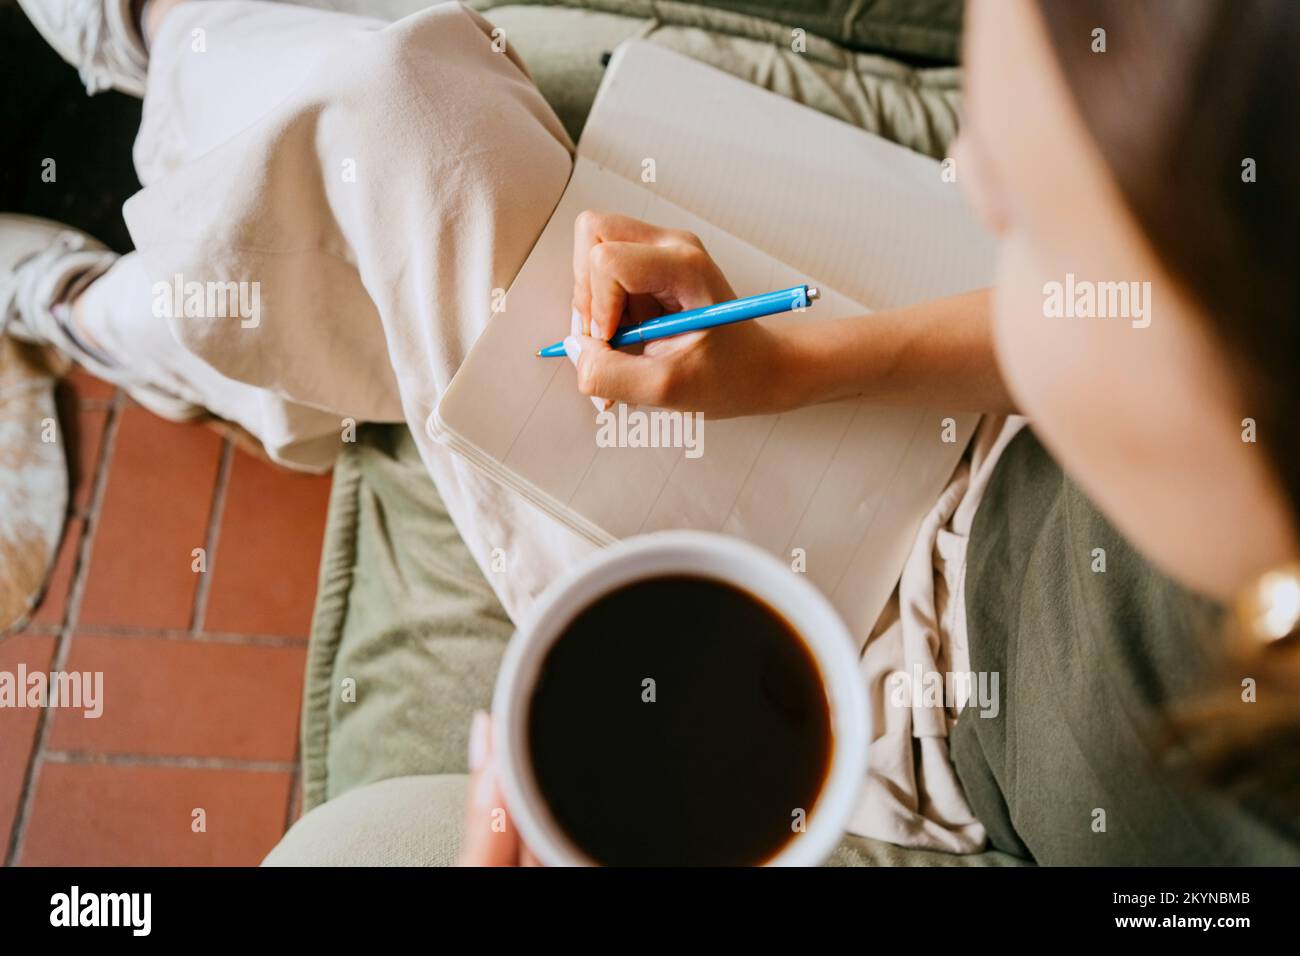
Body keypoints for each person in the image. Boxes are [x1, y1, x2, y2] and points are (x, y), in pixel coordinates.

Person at [5, 0, 1297, 866]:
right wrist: (790, 364)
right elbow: (1095, 312)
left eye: (1026, 211)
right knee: (394, 111)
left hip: (893, 701)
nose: (972, 186)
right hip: (938, 421)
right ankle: (158, 38)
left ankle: (95, 312)